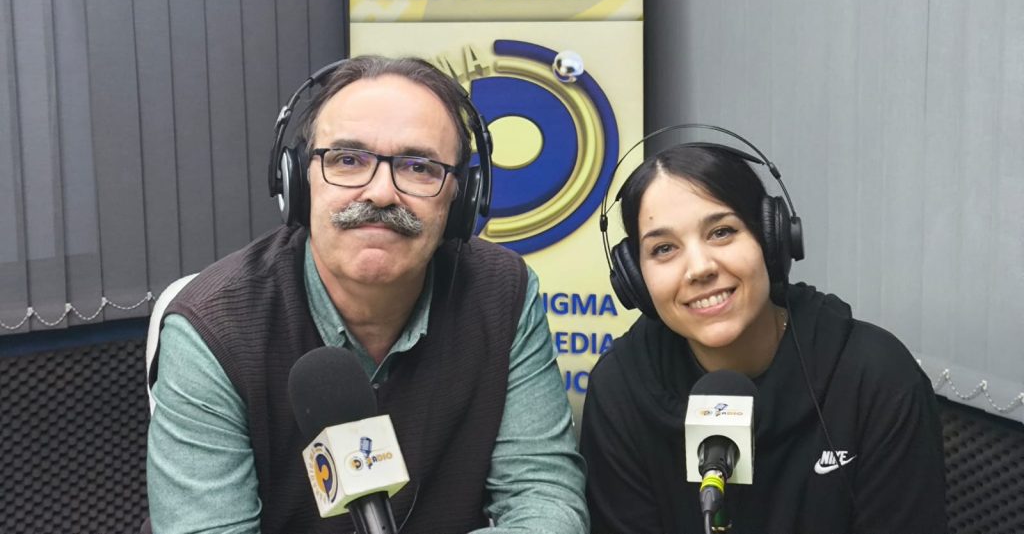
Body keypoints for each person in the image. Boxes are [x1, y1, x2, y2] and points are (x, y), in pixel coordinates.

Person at [146, 55, 588, 534]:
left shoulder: (503, 293)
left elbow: (546, 502)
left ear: (461, 198)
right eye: (348, 160)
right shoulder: (214, 327)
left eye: (418, 167)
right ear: (298, 181)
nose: (380, 193)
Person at [580, 139, 947, 534]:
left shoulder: (876, 378)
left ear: (772, 240)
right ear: (634, 279)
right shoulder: (620, 389)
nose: (699, 268)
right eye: (664, 248)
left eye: (722, 232)